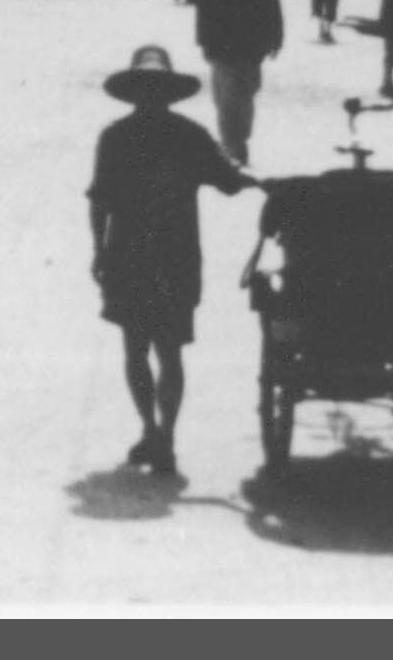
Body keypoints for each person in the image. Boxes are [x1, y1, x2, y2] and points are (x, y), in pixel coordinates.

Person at [88, 45, 264, 475]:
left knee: (142, 348)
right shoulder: (186, 134)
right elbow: (228, 178)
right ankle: (159, 433)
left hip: (138, 252)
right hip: (170, 253)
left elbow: (100, 201)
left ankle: (155, 431)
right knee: (163, 349)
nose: (151, 98)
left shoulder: (119, 135)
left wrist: (99, 249)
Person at [193, 0, 283, 167]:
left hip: (228, 45)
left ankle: (234, 143)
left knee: (231, 97)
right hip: (249, 45)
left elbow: (204, 12)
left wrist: (204, 43)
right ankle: (235, 142)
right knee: (241, 95)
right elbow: (272, 4)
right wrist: (275, 37)